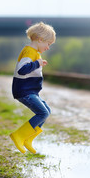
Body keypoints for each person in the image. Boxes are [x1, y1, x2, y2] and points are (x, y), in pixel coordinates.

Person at [10, 22, 56, 154]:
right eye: (48, 44)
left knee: (46, 110)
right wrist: (37, 63)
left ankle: (28, 139)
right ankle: (19, 135)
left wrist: (38, 62)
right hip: (24, 91)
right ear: (40, 40)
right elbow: (21, 70)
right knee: (43, 112)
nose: (48, 47)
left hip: (31, 91)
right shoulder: (29, 52)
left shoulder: (34, 52)